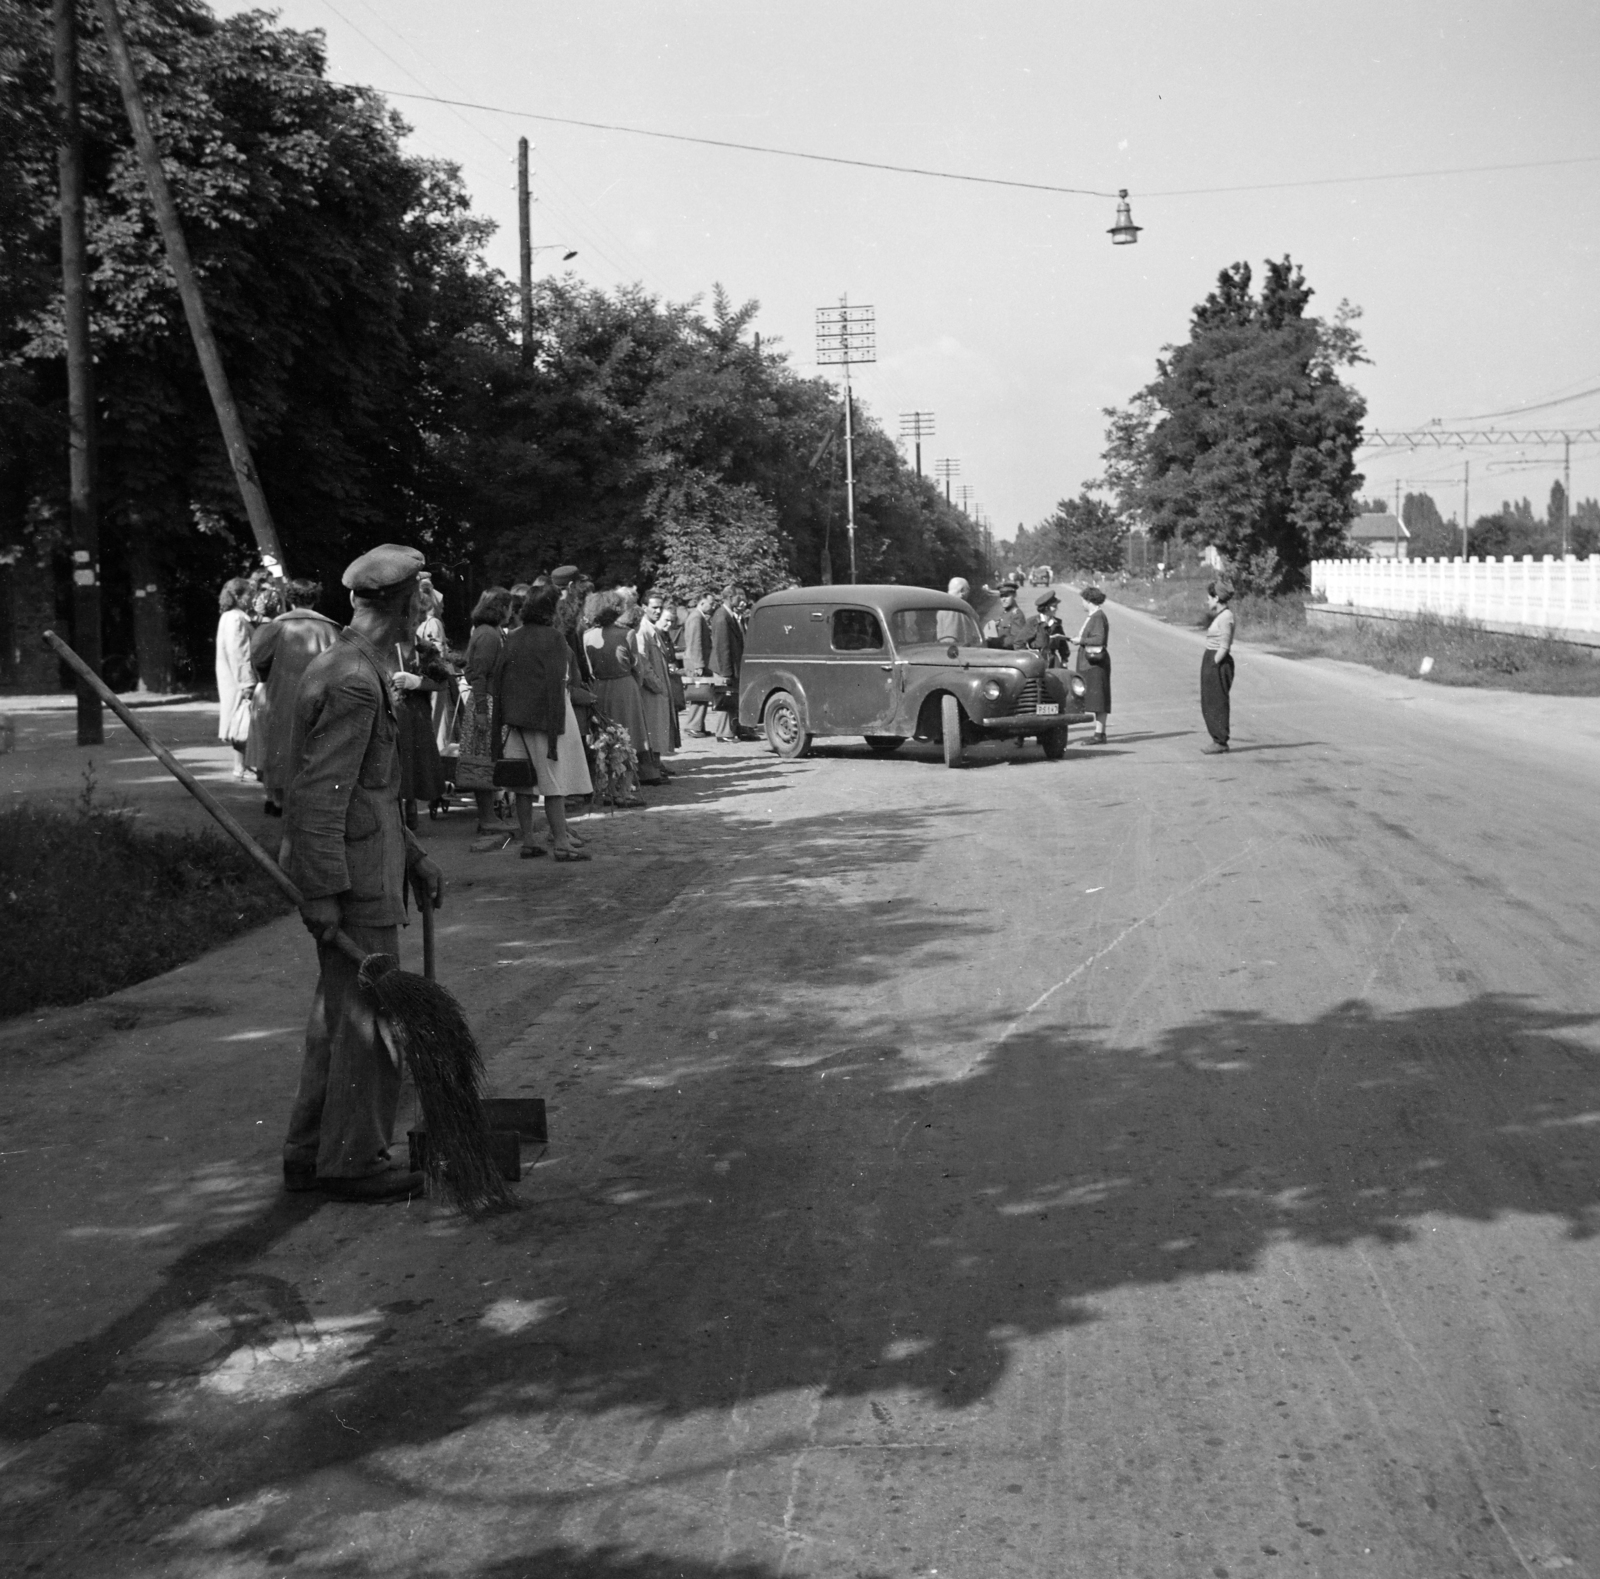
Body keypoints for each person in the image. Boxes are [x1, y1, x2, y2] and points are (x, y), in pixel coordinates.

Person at [280, 543, 445, 1202]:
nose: (419, 618)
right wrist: (321, 891)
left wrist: (413, 853)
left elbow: (368, 791)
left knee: (337, 1014)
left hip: (366, 866)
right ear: (401, 605)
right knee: (368, 1019)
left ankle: (308, 1149)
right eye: (417, 604)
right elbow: (322, 795)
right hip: (353, 882)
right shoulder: (352, 680)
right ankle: (353, 1159)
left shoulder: (352, 666)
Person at [491, 585, 593, 859]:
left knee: (523, 782)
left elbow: (500, 677)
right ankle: (561, 842)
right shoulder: (554, 638)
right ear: (552, 609)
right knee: (553, 783)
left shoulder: (512, 636)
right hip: (546, 718)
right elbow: (559, 681)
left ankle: (529, 840)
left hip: (516, 718)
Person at [249, 578, 338, 816]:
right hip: (321, 696)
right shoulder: (330, 628)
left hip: (282, 694)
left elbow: (258, 658)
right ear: (315, 598)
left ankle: (278, 799)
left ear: (289, 598)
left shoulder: (276, 627)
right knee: (317, 744)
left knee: (281, 742)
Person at [582, 590, 658, 790]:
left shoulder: (587, 636)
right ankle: (625, 788)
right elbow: (637, 668)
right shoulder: (627, 634)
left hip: (599, 687)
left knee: (604, 739)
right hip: (625, 688)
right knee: (628, 738)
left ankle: (604, 786)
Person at [457, 587, 513, 845]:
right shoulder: (489, 635)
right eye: (509, 607)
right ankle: (487, 817)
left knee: (485, 760)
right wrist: (481, 710)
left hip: (488, 702)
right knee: (483, 760)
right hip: (486, 703)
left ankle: (489, 815)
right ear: (501, 608)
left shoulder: (488, 632)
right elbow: (478, 674)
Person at [632, 594, 680, 773]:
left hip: (658, 689)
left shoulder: (653, 629)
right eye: (654, 607)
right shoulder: (642, 630)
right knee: (652, 728)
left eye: (660, 607)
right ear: (644, 607)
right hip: (650, 691)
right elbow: (643, 663)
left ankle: (657, 764)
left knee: (658, 728)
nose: (658, 611)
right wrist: (657, 685)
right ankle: (651, 767)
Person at [215, 577, 256, 781]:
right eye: (249, 594)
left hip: (232, 678)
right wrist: (246, 682)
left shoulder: (230, 617)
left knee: (240, 720)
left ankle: (242, 765)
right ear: (238, 596)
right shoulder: (236, 619)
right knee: (242, 720)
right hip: (237, 679)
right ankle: (241, 766)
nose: (252, 598)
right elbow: (239, 653)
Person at [1072, 585, 1112, 744]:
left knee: (1099, 698)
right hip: (1091, 662)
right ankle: (1099, 733)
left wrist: (1080, 640)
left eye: (1083, 600)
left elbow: (1098, 639)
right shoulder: (1094, 616)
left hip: (1095, 663)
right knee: (1096, 697)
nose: (1082, 603)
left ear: (1089, 600)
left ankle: (1099, 734)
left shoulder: (1098, 617)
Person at [1200, 580, 1236, 754]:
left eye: (1209, 598)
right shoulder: (1221, 616)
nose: (1208, 601)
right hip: (1212, 659)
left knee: (1217, 702)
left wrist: (1214, 663)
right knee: (1209, 701)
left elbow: (1225, 645)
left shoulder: (1226, 617)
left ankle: (1220, 741)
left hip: (1218, 662)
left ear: (1216, 598)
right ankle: (1217, 739)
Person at [709, 583, 746, 742]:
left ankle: (731, 730)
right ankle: (724, 733)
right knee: (725, 697)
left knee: (730, 698)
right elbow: (722, 647)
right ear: (731, 597)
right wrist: (726, 672)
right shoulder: (722, 616)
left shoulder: (727, 614)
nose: (742, 599)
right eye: (740, 596)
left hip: (729, 665)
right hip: (723, 666)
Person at [680, 591, 716, 737]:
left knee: (701, 695)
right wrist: (699, 665)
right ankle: (693, 726)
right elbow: (695, 642)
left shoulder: (697, 616)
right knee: (699, 694)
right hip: (696, 662)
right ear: (702, 603)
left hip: (696, 661)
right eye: (711, 603)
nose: (713, 606)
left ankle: (698, 725)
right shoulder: (696, 617)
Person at [985, 582, 1036, 650]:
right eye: (1001, 596)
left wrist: (992, 641)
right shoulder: (1006, 612)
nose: (1003, 599)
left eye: (1006, 596)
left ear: (1014, 595)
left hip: (1010, 655)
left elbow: (1016, 639)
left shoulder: (1017, 615)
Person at [938, 577, 972, 642]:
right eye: (968, 589)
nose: (969, 592)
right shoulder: (954, 609)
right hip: (959, 650)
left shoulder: (944, 606)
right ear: (962, 591)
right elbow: (950, 638)